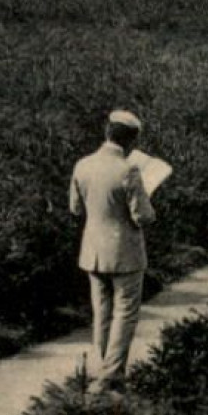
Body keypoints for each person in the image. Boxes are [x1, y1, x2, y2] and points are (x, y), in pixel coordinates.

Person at [69, 110, 156, 388]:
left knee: (102, 312)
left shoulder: (82, 165)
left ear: (107, 133)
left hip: (93, 249)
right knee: (125, 312)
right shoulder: (129, 170)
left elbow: (75, 208)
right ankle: (112, 374)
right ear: (130, 141)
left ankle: (101, 368)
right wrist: (148, 198)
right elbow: (143, 216)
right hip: (124, 251)